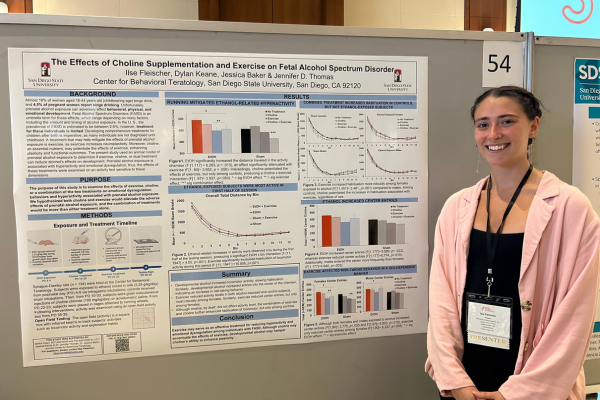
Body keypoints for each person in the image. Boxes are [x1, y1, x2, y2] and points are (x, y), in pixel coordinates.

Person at [425, 86, 600, 400]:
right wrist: (455, 380)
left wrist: (516, 394)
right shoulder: (457, 207)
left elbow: (575, 316)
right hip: (466, 381)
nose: (493, 133)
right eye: (483, 124)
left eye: (506, 121)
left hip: (537, 385)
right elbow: (441, 304)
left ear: (533, 126)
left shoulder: (570, 208)